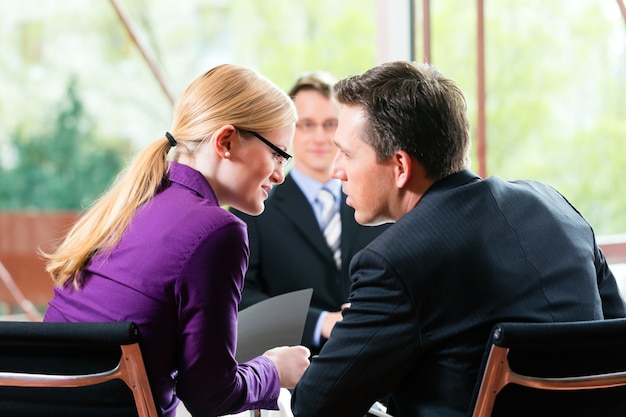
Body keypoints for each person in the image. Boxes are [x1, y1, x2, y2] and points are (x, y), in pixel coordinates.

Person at [290, 61, 626, 417]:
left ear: (401, 167)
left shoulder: (393, 262)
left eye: (346, 153)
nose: (335, 170)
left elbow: (316, 406)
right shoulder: (554, 206)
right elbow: (614, 341)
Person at [41, 64, 311, 417]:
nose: (279, 174)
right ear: (226, 141)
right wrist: (275, 370)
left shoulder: (134, 200)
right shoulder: (219, 230)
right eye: (278, 154)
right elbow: (210, 396)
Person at [230, 70, 389, 355]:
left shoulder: (379, 201)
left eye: (330, 124)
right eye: (306, 125)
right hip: (294, 369)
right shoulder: (250, 209)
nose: (320, 137)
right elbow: (241, 301)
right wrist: (320, 321)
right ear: (289, 130)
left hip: (378, 361)